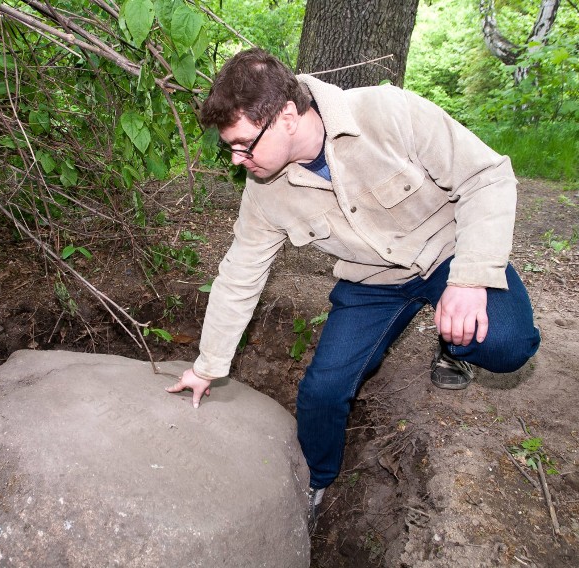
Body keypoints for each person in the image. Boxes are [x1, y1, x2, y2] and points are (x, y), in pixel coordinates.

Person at [165, 48, 541, 526]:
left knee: (507, 345)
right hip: (373, 283)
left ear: (285, 117)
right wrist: (207, 365)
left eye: (244, 145)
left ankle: (453, 346)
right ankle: (317, 484)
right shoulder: (264, 193)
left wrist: (470, 278)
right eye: (230, 149)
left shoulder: (389, 113)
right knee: (322, 391)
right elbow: (239, 275)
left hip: (449, 254)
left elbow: (487, 177)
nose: (238, 161)